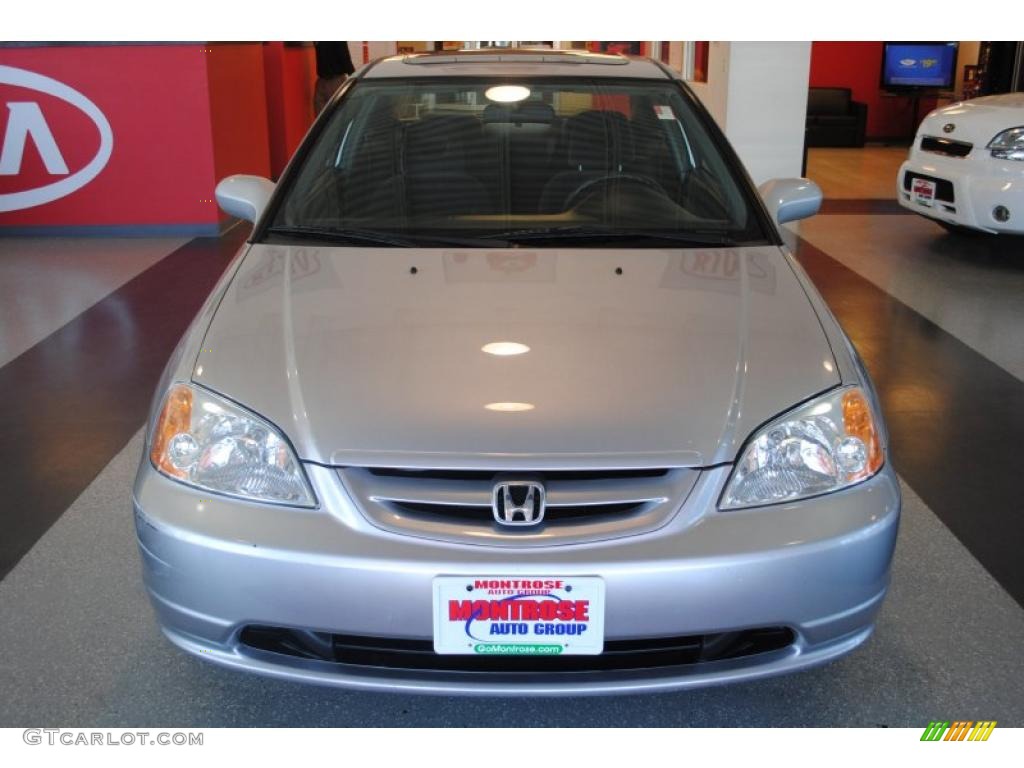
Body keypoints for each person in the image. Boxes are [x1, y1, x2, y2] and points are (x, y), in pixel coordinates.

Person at [313, 42, 356, 114]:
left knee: (336, 115)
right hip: (322, 80)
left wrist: (353, 77)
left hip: (335, 80)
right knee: (321, 116)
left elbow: (344, 57)